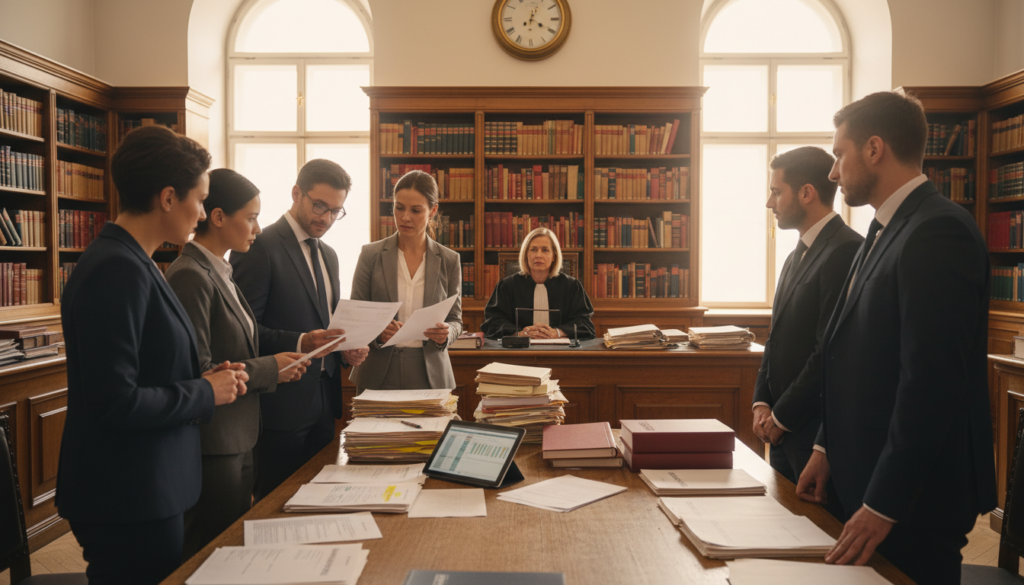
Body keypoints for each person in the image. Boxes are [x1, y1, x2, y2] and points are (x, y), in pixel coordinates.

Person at [795, 91, 997, 584]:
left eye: (839, 154)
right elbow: (849, 353)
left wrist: (884, 502)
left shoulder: (937, 231)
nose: (833, 172)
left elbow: (930, 382)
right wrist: (825, 448)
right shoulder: (885, 229)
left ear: (874, 149)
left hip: (913, 499)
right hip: (863, 475)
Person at [56, 125, 249, 585]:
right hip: (128, 494)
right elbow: (114, 401)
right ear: (167, 197)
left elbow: (150, 366)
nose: (202, 212)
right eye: (199, 200)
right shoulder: (116, 270)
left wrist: (204, 376)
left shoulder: (137, 261)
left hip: (149, 487)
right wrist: (204, 391)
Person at [166, 168, 327, 557]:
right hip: (216, 439)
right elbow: (202, 370)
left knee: (233, 545)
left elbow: (249, 338)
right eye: (251, 218)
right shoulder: (190, 275)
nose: (257, 229)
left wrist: (294, 348)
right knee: (214, 551)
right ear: (218, 217)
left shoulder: (222, 270)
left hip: (241, 433)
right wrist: (273, 368)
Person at [230, 159, 369, 501]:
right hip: (279, 406)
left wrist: (346, 349)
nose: (326, 217)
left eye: (336, 211)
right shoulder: (259, 246)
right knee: (274, 505)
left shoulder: (330, 255)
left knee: (316, 501)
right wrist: (299, 342)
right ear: (296, 193)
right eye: (319, 205)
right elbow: (243, 333)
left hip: (324, 401)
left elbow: (326, 326)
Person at [752, 147, 862, 485]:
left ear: (806, 193)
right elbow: (777, 338)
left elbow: (827, 351)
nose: (770, 203)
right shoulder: (794, 256)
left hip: (814, 435)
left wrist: (781, 416)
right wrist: (761, 400)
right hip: (782, 431)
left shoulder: (845, 250)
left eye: (776, 191)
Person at [349, 170, 463, 391]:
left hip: (430, 372)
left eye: (416, 210)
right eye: (399, 207)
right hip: (377, 371)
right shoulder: (370, 255)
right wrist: (378, 332)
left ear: (433, 211)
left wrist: (447, 333)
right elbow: (356, 316)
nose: (405, 217)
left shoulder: (449, 260)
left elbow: (456, 320)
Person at [481, 227, 595, 340]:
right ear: (526, 254)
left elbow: (584, 323)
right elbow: (493, 322)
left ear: (554, 256)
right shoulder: (506, 286)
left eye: (545, 250)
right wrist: (522, 333)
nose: (538, 255)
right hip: (519, 351)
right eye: (533, 250)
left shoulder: (572, 286)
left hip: (561, 352)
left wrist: (558, 332)